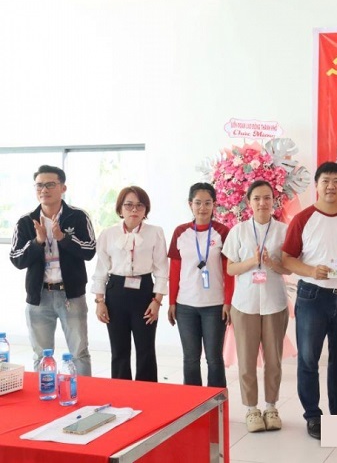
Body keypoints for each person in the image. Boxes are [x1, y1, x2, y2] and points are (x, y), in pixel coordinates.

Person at [282, 161, 337, 440]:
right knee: (309, 358)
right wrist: (311, 270)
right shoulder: (303, 219)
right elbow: (286, 259)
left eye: (336, 181)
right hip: (312, 296)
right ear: (317, 186)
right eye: (325, 181)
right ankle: (313, 415)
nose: (331, 186)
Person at [10, 165, 96, 376]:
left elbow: (89, 250)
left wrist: (63, 238)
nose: (44, 190)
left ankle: (85, 396)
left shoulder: (77, 217)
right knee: (41, 355)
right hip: (39, 297)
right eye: (39, 185)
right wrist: (37, 242)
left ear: (63, 187)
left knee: (79, 353)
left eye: (50, 184)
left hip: (71, 295)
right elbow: (16, 259)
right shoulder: (25, 221)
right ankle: (45, 395)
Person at [222, 180, 292, 433]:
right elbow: (230, 268)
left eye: (267, 198)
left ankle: (271, 406)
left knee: (274, 360)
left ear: (274, 201)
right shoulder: (238, 231)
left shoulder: (284, 230)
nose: (262, 203)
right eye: (257, 198)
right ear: (249, 202)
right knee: (247, 360)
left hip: (274, 302)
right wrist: (253, 261)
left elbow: (290, 267)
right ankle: (252, 410)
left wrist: (272, 263)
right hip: (245, 304)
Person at [92, 186, 168, 382]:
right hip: (116, 292)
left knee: (146, 349)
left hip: (144, 292)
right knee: (119, 350)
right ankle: (121, 393)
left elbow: (161, 269)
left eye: (139, 205)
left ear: (145, 209)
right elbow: (101, 269)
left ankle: (148, 394)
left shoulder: (155, 233)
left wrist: (157, 301)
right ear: (120, 209)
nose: (134, 210)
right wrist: (100, 301)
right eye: (128, 205)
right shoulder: (108, 234)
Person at [167, 182, 233, 388]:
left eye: (207, 203)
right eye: (198, 203)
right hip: (185, 305)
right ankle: (192, 405)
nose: (202, 208)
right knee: (190, 359)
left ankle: (217, 405)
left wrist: (228, 302)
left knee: (214, 359)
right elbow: (175, 270)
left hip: (214, 305)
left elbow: (229, 272)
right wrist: (172, 302)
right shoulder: (181, 232)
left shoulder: (222, 231)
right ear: (190, 204)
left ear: (214, 204)